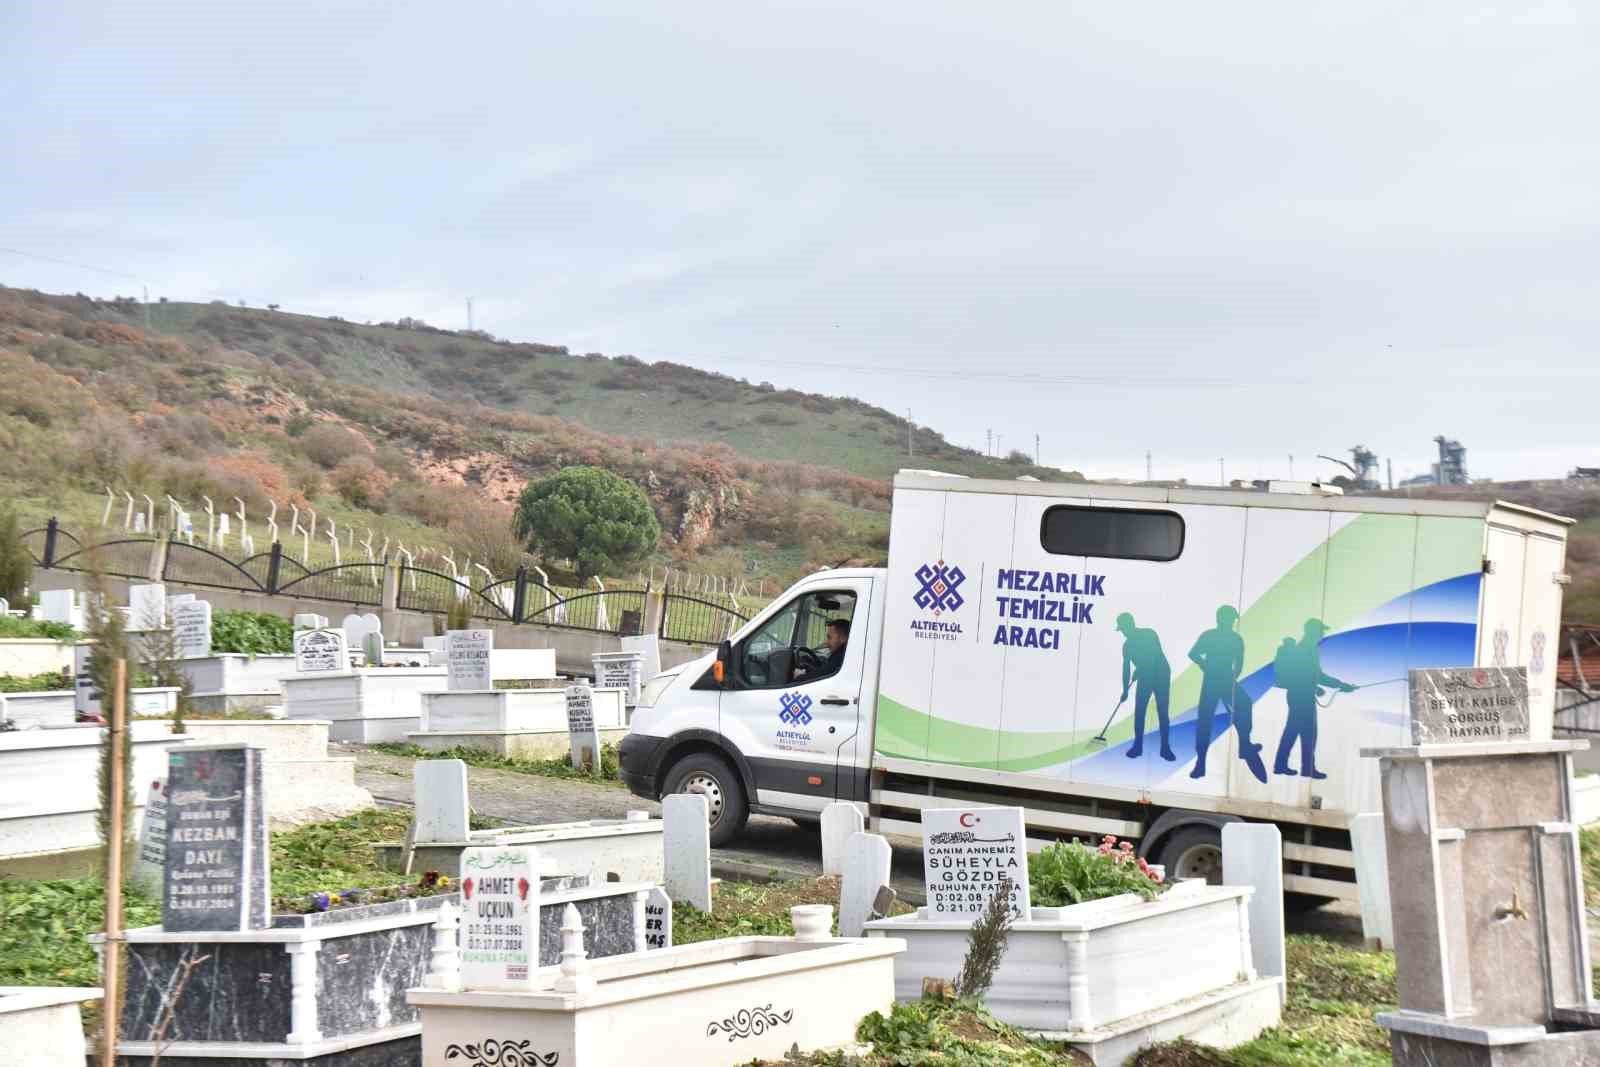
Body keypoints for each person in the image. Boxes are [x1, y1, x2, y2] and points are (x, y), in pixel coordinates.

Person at [1187, 605, 1267, 783]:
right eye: (1230, 619)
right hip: (1217, 681)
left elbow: (1238, 663)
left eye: (1232, 619)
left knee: (1240, 706)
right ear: (1222, 618)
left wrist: (1206, 665)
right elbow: (1193, 654)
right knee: (1206, 720)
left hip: (1219, 680)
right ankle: (1201, 763)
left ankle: (1244, 745)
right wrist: (1207, 666)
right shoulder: (1222, 637)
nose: (1231, 622)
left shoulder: (1227, 637)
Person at [1271, 619, 1354, 780]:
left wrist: (1338, 685)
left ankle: (1286, 765)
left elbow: (1312, 675)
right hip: (1301, 696)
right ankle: (1301, 767)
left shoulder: (1308, 649)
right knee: (1306, 732)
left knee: (1297, 731)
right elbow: (1313, 675)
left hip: (1300, 695)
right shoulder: (1306, 649)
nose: (1322, 634)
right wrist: (1335, 685)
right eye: (1320, 631)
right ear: (1312, 632)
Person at [1115, 612, 1174, 761]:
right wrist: (1125, 690)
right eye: (1121, 630)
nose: (1123, 632)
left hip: (1161, 674)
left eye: (1123, 628)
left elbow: (1154, 655)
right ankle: (1138, 746)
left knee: (1162, 710)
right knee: (1140, 711)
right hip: (1145, 677)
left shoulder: (1149, 634)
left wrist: (1140, 669)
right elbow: (1126, 669)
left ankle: (1165, 748)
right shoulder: (1127, 646)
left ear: (1131, 624)